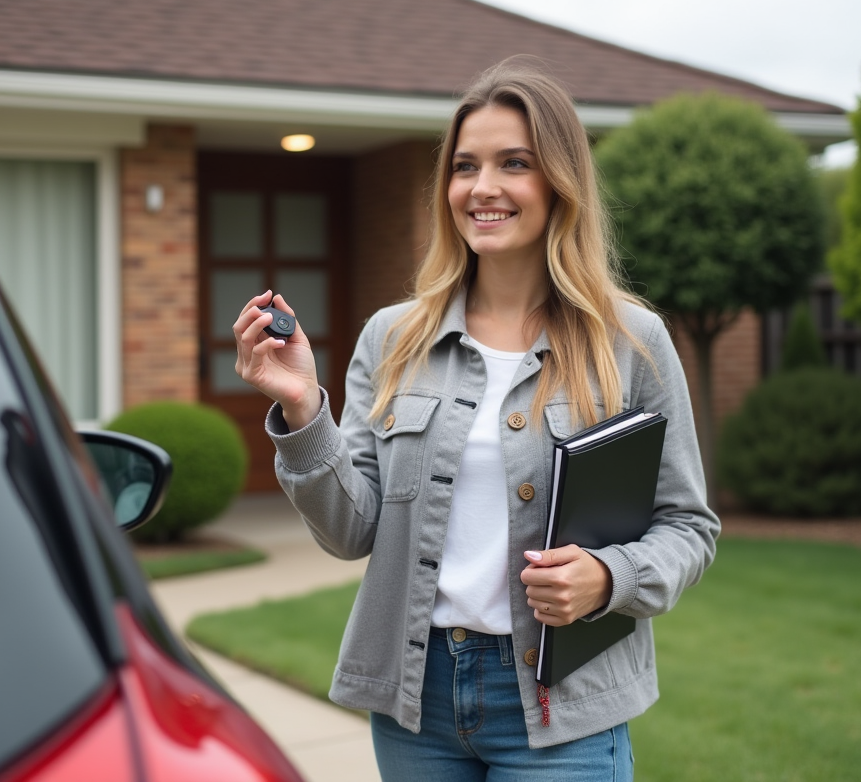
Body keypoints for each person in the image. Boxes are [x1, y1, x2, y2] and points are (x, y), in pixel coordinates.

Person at [233, 57, 719, 782]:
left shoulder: (631, 342)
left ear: (559, 182)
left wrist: (608, 577)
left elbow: (689, 525)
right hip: (416, 701)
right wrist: (304, 410)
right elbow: (351, 530)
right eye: (465, 167)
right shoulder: (392, 337)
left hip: (563, 709)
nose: (482, 187)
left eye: (513, 163)